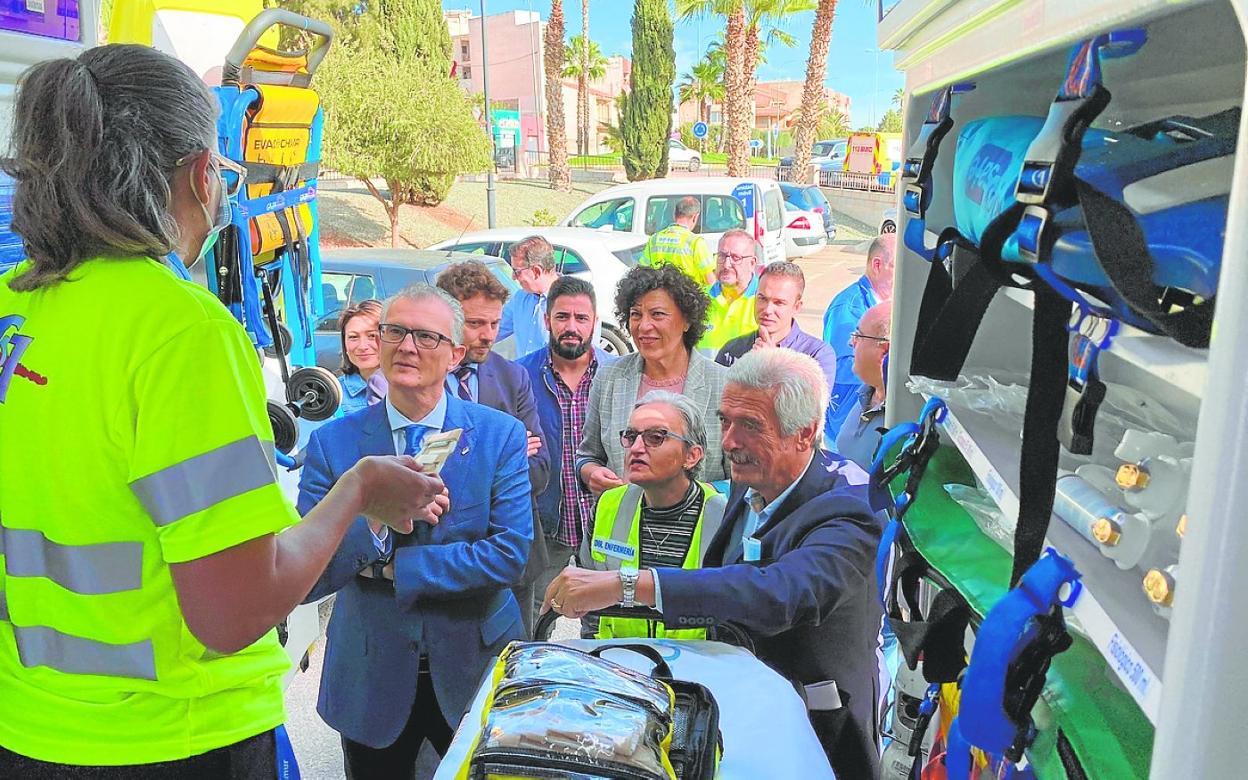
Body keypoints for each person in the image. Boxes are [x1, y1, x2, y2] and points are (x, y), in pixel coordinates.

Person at [0, 45, 447, 776]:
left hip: (26, 731)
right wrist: (358, 490)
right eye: (226, 174)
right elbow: (235, 615)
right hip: (176, 738)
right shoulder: (182, 333)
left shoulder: (12, 306)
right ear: (201, 175)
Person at [545, 348, 885, 779]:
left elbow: (779, 593)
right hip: (740, 706)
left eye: (751, 426)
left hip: (817, 724)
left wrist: (629, 584)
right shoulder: (755, 477)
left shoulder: (853, 506)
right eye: (725, 421)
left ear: (805, 433)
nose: (729, 442)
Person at [298, 284, 533, 777]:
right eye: (395, 332)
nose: (407, 347)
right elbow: (309, 573)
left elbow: (510, 554)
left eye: (426, 337)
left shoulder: (500, 435)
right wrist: (376, 522)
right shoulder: (333, 445)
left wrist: (396, 568)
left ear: (456, 355)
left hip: (474, 665)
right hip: (371, 675)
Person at [436, 259, 550, 633]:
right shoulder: (420, 379)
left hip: (511, 561)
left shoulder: (512, 376)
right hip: (443, 559)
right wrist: (505, 457)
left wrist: (469, 468)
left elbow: (540, 470)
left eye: (495, 324)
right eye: (475, 324)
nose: (488, 335)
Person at [583, 391, 728, 639]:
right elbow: (589, 599)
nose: (637, 448)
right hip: (619, 662)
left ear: (692, 456)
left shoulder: (723, 516)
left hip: (699, 666)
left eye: (655, 437)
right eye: (631, 436)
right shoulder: (608, 504)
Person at [577, 264, 730, 497]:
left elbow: (744, 478)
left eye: (657, 314)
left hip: (701, 528)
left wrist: (696, 495)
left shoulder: (724, 385)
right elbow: (588, 455)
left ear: (687, 321)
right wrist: (591, 473)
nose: (644, 326)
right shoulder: (610, 377)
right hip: (625, 526)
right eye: (636, 314)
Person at [516, 276, 616, 619]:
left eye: (581, 318)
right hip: (546, 526)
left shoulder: (616, 374)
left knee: (607, 620)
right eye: (562, 317)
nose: (571, 327)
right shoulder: (520, 377)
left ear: (594, 322)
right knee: (532, 617)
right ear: (547, 320)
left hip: (605, 524)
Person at [715, 261, 837, 397]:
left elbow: (812, 411)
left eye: (779, 303)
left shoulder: (817, 355)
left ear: (797, 307)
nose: (767, 309)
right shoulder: (732, 351)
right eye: (762, 299)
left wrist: (774, 364)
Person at [823, 232, 895, 438]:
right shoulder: (848, 307)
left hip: (873, 417)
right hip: (846, 421)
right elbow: (841, 365)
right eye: (898, 266)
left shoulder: (890, 304)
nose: (907, 274)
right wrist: (889, 373)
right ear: (877, 265)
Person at [836, 300, 892, 470]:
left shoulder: (903, 415)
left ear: (884, 350)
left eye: (858, 336)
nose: (850, 343)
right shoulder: (866, 394)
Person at [697, 229, 760, 354]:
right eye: (722, 256)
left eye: (736, 258)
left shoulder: (764, 302)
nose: (726, 265)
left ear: (752, 263)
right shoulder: (699, 299)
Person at [499, 235, 561, 358]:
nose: (513, 277)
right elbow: (494, 329)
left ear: (536, 271)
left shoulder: (574, 301)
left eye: (517, 271)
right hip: (523, 376)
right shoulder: (520, 298)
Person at [637, 195, 716, 286]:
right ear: (695, 217)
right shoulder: (696, 242)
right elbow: (710, 280)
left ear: (674, 214)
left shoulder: (654, 239)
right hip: (688, 296)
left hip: (662, 295)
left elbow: (643, 271)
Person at [337, 298, 386, 415]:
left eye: (372, 335)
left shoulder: (410, 388)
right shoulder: (334, 394)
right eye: (353, 337)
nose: (362, 346)